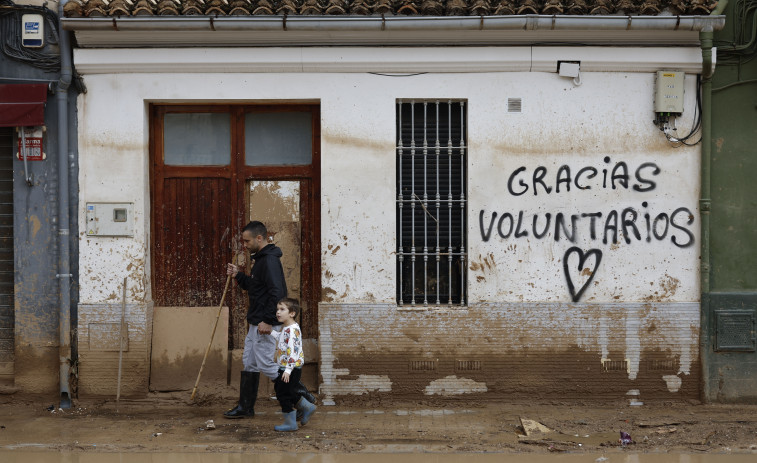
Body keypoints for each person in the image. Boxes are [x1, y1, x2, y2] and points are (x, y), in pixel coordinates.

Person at [223, 221, 315, 419]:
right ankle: (245, 407)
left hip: (264, 322)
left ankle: (300, 397)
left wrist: (267, 319)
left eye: (247, 241)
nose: (245, 245)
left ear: (259, 238)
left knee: (265, 364)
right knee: (249, 362)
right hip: (256, 322)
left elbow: (277, 293)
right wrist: (238, 275)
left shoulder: (270, 261)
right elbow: (256, 287)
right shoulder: (261, 260)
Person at [271, 298, 316, 431]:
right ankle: (307, 407)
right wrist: (271, 332)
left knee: (283, 394)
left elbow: (294, 352)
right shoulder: (287, 328)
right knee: (286, 391)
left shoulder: (292, 330)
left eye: (282, 309)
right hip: (286, 367)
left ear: (292, 313)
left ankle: (291, 423)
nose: (278, 312)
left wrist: (288, 370)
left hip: (289, 368)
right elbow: (282, 340)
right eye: (277, 309)